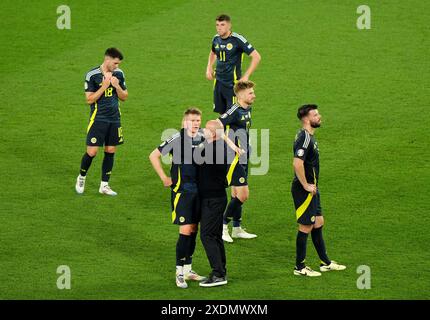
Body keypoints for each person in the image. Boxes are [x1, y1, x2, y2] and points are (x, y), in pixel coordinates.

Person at [149, 108, 206, 289]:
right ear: (184, 122)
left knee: (194, 229)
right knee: (185, 230)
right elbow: (154, 155)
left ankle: (188, 269)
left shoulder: (203, 138)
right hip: (182, 192)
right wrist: (164, 177)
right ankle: (179, 272)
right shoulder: (177, 139)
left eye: (198, 120)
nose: (196, 123)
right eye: (192, 120)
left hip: (200, 192)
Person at [291, 104, 346, 277]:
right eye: (316, 114)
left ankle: (325, 263)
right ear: (306, 119)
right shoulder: (305, 138)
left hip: (313, 188)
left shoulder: (310, 137)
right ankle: (299, 268)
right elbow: (297, 163)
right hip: (304, 189)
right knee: (305, 226)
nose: (319, 116)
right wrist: (306, 185)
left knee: (318, 222)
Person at [197, 120, 246, 287]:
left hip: (211, 200)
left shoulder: (209, 150)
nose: (203, 131)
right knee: (215, 235)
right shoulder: (222, 149)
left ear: (212, 134)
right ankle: (221, 271)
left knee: (207, 235)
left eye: (206, 129)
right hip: (218, 197)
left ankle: (218, 274)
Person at [75, 48, 128, 196]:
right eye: (115, 63)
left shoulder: (119, 74)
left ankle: (104, 185)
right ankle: (81, 177)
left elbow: (124, 97)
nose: (117, 66)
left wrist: (116, 85)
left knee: (110, 150)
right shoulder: (92, 75)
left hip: (115, 119)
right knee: (92, 152)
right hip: (98, 119)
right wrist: (104, 86)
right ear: (107, 59)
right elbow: (89, 99)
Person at [216, 81, 257, 242]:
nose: (254, 95)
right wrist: (234, 146)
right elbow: (216, 126)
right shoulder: (233, 110)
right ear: (240, 95)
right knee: (243, 194)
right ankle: (223, 225)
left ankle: (237, 228)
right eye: (250, 93)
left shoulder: (247, 108)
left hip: (244, 155)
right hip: (233, 157)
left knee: (235, 193)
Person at [206, 14, 261, 114]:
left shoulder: (237, 39)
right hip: (218, 82)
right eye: (217, 25)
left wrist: (246, 76)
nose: (219, 28)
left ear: (229, 26)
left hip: (232, 84)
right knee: (222, 115)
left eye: (222, 25)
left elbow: (256, 57)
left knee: (232, 115)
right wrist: (209, 67)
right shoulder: (216, 38)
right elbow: (213, 52)